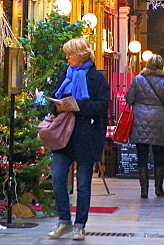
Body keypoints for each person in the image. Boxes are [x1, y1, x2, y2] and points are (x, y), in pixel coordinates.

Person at [47, 37, 110, 242]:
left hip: (87, 136)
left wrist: (77, 106)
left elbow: (102, 106)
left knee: (83, 184)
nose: (67, 58)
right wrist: (57, 106)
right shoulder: (65, 74)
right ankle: (63, 221)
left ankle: (79, 225)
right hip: (63, 135)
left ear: (80, 55)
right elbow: (52, 100)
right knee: (57, 178)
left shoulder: (97, 78)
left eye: (70, 54)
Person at [126, 53, 164, 198]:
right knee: (159, 154)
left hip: (140, 118)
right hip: (158, 118)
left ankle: (144, 190)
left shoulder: (138, 79)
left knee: (142, 154)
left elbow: (129, 98)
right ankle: (158, 188)